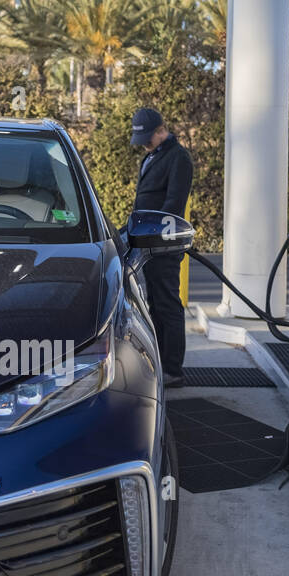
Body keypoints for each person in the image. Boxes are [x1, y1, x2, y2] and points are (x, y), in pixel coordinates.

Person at [130, 107, 193, 388]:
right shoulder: (153, 156)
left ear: (161, 130)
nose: (144, 143)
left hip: (163, 245)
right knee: (154, 302)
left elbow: (173, 204)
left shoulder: (178, 158)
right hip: (148, 243)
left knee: (168, 302)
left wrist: (154, 232)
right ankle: (159, 363)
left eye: (148, 137)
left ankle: (173, 369)